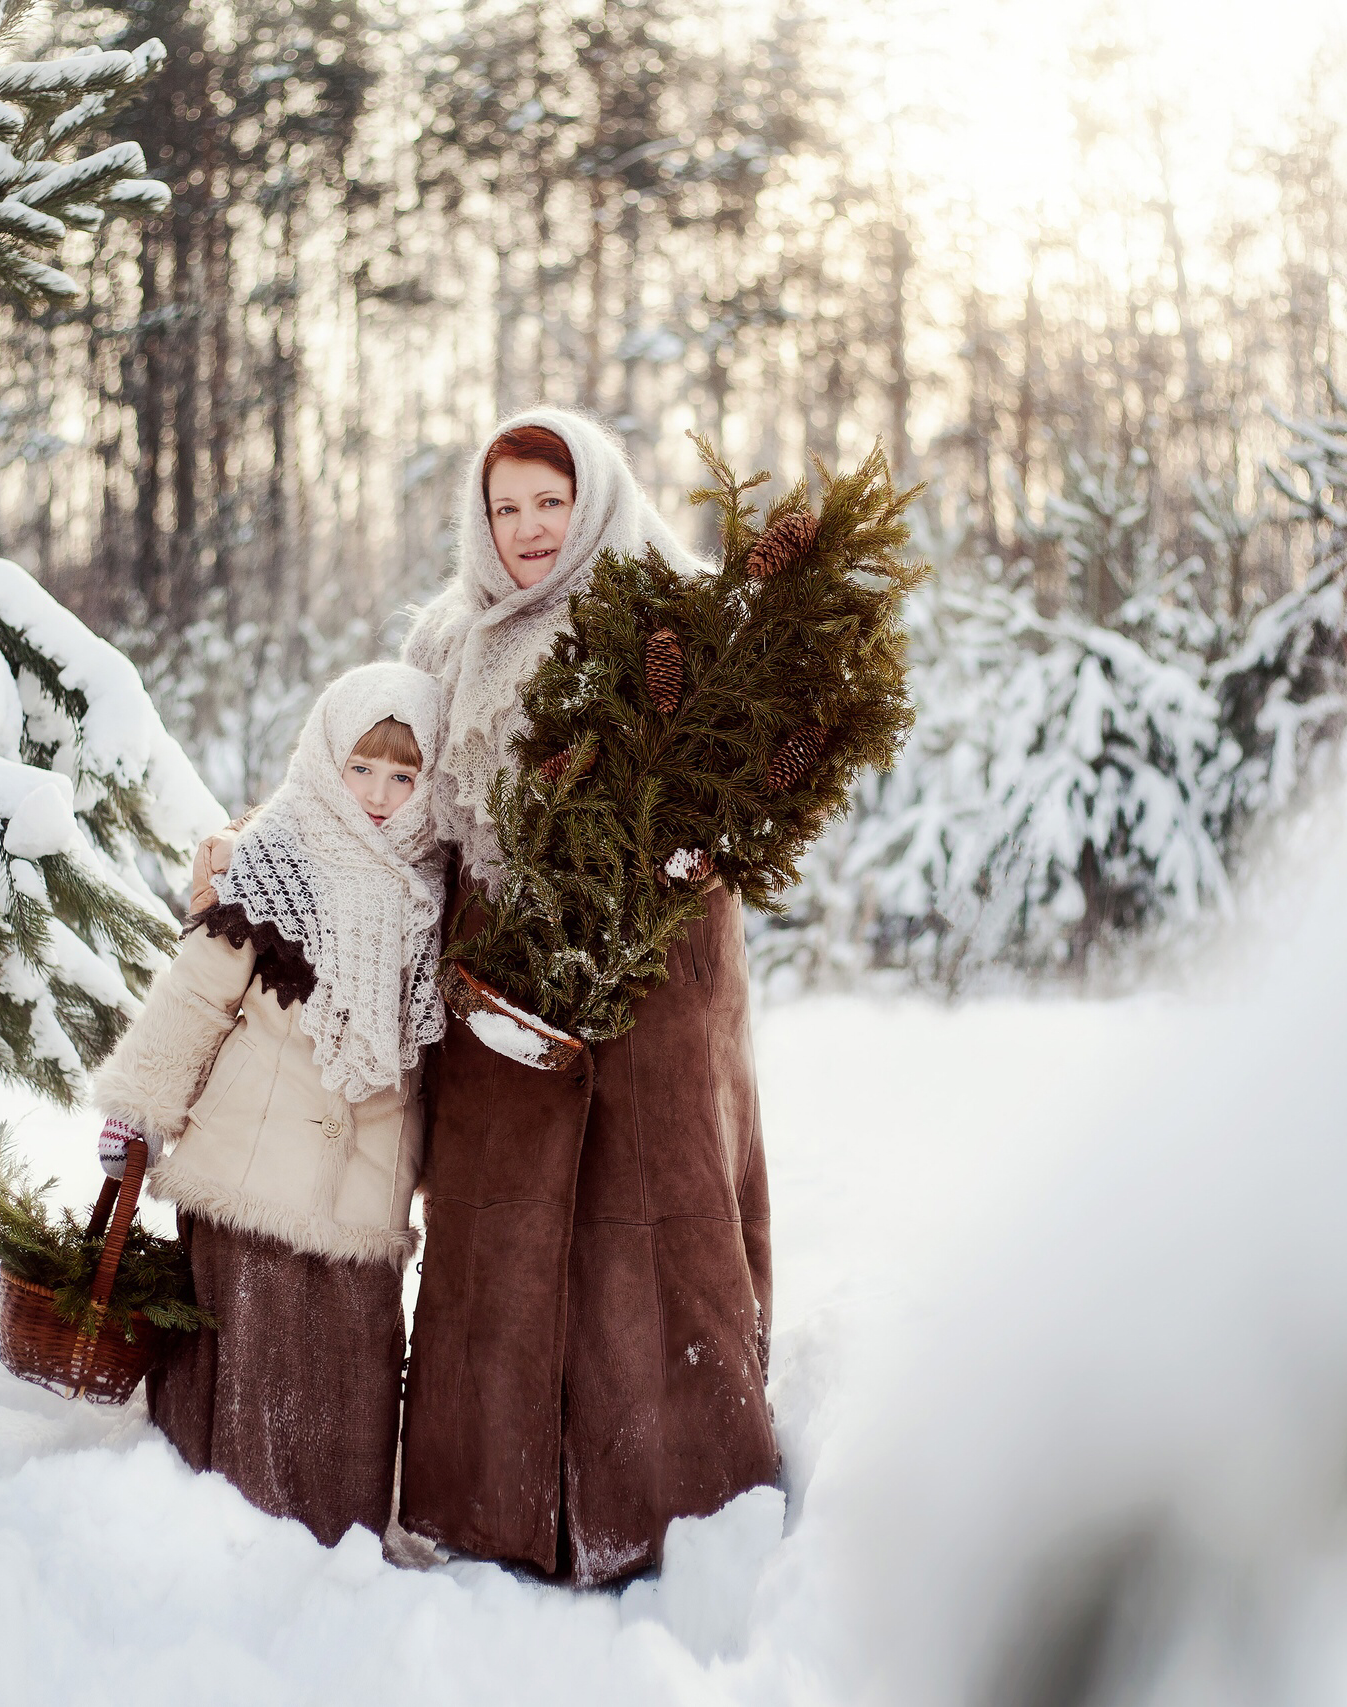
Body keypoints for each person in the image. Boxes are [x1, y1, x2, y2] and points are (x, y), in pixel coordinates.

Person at [397, 409, 780, 1585]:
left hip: (650, 976)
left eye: (547, 503)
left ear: (594, 499)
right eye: (503, 507)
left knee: (645, 1221)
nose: (524, 529)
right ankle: (491, 1505)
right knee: (495, 1233)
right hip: (494, 975)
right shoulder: (446, 638)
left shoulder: (664, 610)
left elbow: (739, 782)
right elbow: (393, 791)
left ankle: (669, 1502)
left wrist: (695, 849)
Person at [92, 662, 446, 1547]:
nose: (378, 794)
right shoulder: (275, 853)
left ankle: (339, 1547)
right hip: (248, 1161)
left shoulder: (433, 887)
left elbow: (435, 1062)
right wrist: (139, 1105)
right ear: (329, 756)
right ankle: (225, 1546)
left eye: (404, 776)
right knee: (249, 1351)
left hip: (364, 1191)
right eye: (363, 767)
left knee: (354, 1366)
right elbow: (199, 993)